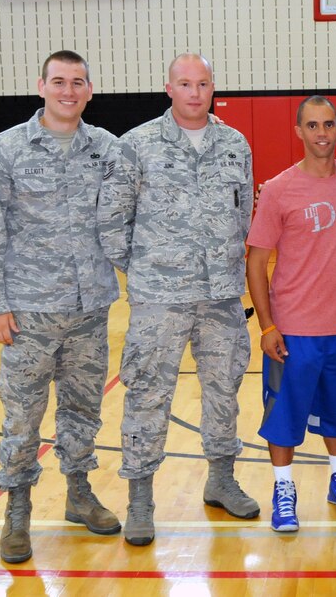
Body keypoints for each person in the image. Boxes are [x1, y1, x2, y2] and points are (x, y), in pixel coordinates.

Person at [98, 53, 259, 546]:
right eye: (185, 83)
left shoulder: (235, 144)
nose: (195, 92)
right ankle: (141, 498)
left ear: (214, 88)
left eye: (203, 83)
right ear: (168, 87)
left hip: (222, 299)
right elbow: (111, 224)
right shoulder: (137, 145)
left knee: (224, 391)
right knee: (147, 394)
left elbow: (245, 211)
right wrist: (152, 270)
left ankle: (221, 479)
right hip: (159, 301)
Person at [0, 50, 121, 564]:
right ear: (41, 86)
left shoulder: (106, 149)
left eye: (78, 82)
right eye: (59, 81)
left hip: (88, 309)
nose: (68, 91)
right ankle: (17, 510)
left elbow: (128, 218)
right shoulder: (5, 149)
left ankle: (78, 494)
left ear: (90, 90)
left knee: (82, 409)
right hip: (28, 312)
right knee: (23, 416)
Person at [246, 96, 336, 532]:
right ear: (298, 132)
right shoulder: (280, 188)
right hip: (293, 330)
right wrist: (267, 325)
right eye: (312, 125)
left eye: (329, 125)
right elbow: (256, 262)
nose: (321, 133)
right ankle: (284, 489)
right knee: (284, 417)